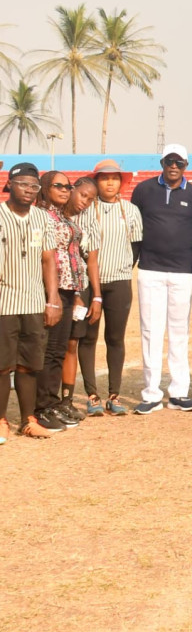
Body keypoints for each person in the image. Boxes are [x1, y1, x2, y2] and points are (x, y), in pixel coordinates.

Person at [129, 143, 192, 414]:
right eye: (169, 161)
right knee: (151, 331)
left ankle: (179, 392)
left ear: (187, 165)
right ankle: (151, 393)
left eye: (180, 162)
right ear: (162, 162)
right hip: (150, 269)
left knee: (179, 332)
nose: (174, 166)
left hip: (182, 272)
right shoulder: (144, 190)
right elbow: (134, 227)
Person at [32, 171, 99, 431]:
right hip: (53, 289)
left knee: (58, 351)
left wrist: (79, 293)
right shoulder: (42, 215)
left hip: (70, 289)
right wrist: (50, 295)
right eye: (58, 186)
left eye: (66, 186)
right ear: (46, 188)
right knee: (48, 351)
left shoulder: (62, 215)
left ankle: (52, 403)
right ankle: (41, 407)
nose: (64, 190)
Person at [0, 162, 61, 440]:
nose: (28, 190)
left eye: (34, 186)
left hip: (34, 302)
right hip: (4, 303)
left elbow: (48, 259)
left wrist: (53, 298)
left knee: (29, 364)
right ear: (9, 185)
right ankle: (1, 420)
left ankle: (28, 420)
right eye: (23, 184)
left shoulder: (42, 218)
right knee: (2, 364)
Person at [76, 160, 142, 416]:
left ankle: (114, 394)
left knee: (115, 338)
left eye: (115, 178)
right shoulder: (85, 210)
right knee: (87, 338)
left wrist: (123, 268)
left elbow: (136, 245)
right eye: (104, 178)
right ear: (96, 181)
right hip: (88, 284)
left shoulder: (131, 210)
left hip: (119, 282)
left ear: (121, 182)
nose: (110, 182)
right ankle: (92, 395)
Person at [56, 176, 102, 421]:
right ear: (72, 190)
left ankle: (66, 400)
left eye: (90, 199)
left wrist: (96, 296)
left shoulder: (89, 224)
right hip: (54, 288)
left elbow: (92, 261)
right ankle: (47, 399)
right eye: (83, 195)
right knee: (52, 344)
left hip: (79, 288)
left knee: (72, 343)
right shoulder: (50, 216)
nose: (85, 201)